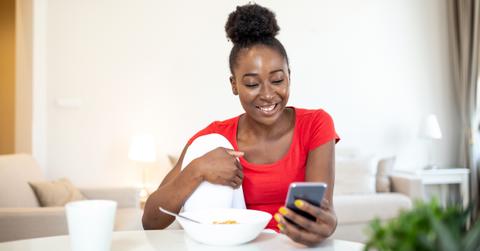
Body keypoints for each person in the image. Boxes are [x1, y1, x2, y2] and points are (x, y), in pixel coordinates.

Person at [142, 3, 339, 246]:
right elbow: (150, 221)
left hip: (291, 246)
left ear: (289, 75)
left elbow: (321, 211)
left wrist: (328, 223)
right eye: (252, 84)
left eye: (277, 80)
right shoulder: (213, 137)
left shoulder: (316, 124)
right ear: (234, 85)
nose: (268, 94)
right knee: (209, 147)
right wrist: (197, 169)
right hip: (233, 246)